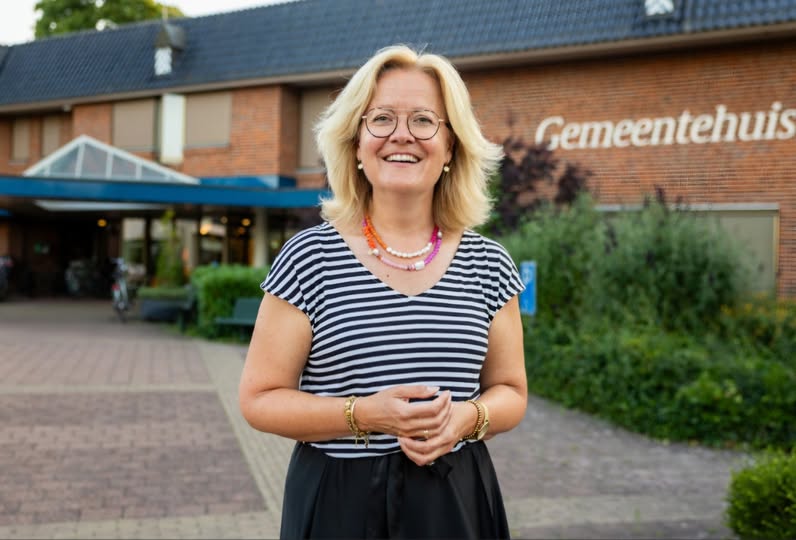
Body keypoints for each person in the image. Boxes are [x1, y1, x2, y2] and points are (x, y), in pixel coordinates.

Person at [239, 44, 528, 539]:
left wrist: (465, 419)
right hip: (339, 504)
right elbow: (259, 399)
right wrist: (364, 414)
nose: (402, 135)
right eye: (381, 119)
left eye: (423, 120)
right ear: (355, 144)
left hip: (455, 500)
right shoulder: (309, 259)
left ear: (451, 146)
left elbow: (512, 393)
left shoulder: (489, 264)